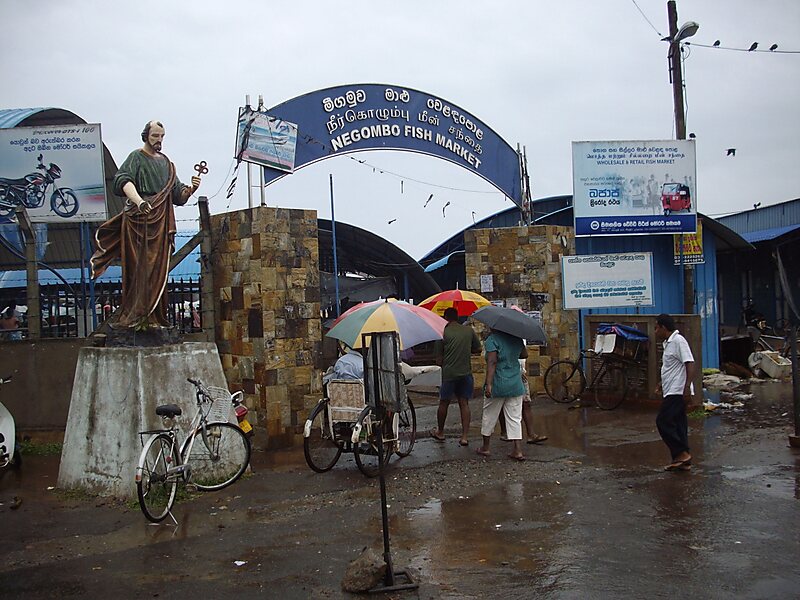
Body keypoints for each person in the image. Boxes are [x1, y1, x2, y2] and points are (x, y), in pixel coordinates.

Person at [91, 121, 201, 329]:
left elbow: (177, 195)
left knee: (159, 270)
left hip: (160, 222)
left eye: (162, 136)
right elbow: (123, 181)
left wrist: (191, 189)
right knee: (140, 269)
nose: (159, 141)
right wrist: (139, 201)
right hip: (138, 222)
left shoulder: (167, 164)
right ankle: (136, 317)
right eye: (155, 136)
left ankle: (155, 318)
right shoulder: (136, 157)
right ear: (145, 136)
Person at [431, 307, 482, 446]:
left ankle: (440, 432)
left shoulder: (442, 333)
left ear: (446, 318)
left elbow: (439, 360)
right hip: (465, 373)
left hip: (449, 373)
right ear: (457, 317)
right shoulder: (468, 331)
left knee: (444, 402)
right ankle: (464, 437)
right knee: (464, 403)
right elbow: (478, 348)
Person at [477, 329, 528, 461]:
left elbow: (492, 362)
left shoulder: (492, 340)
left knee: (489, 415)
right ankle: (517, 450)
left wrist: (488, 384)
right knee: (515, 417)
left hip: (498, 383)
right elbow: (524, 354)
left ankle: (486, 447)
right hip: (515, 383)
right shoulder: (516, 338)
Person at [654, 314, 696, 472]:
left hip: (677, 391)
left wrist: (686, 388)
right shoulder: (668, 344)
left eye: (657, 327)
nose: (655, 331)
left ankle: (681, 454)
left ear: (664, 328)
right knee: (678, 424)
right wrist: (660, 383)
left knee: (663, 421)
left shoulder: (678, 341)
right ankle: (683, 460)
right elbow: (671, 368)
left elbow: (690, 363)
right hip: (671, 389)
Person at [499, 356, 548, 445]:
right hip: (507, 375)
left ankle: (531, 434)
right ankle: (504, 431)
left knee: (526, 403)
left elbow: (523, 355)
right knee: (504, 404)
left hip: (521, 376)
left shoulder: (519, 343)